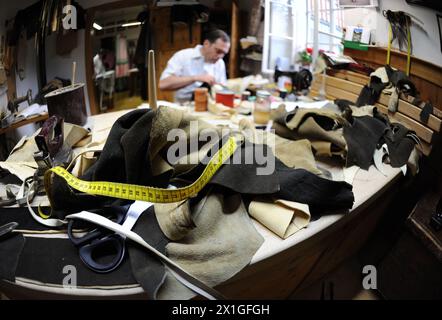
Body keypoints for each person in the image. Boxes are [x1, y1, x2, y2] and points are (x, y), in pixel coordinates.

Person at [159, 29, 230, 103]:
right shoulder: (183, 56)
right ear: (206, 44)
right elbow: (163, 84)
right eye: (218, 51)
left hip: (209, 108)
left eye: (224, 53)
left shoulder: (220, 63)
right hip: (183, 107)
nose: (220, 56)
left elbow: (222, 90)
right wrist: (195, 78)